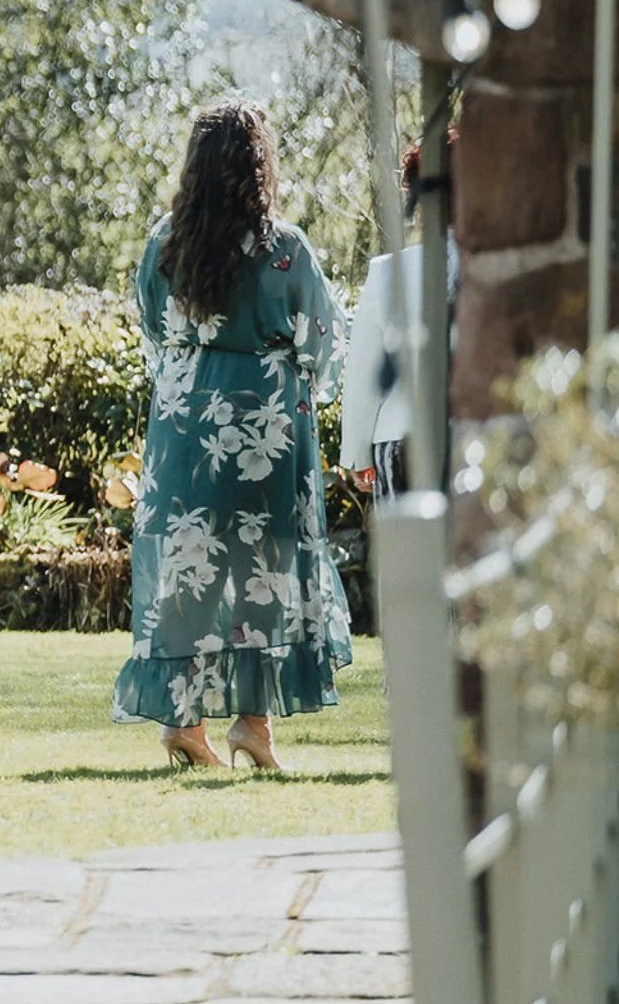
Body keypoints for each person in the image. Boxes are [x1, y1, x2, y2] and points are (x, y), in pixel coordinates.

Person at [113, 100, 351, 771]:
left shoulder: (167, 241)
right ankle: (254, 724)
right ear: (258, 165)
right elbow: (322, 339)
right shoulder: (286, 247)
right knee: (266, 569)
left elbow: (153, 327)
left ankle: (184, 723)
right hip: (268, 425)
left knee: (191, 568)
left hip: (188, 423)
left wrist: (192, 368)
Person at [340, 131, 458, 500]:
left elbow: (364, 373)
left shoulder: (388, 272)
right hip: (475, 439)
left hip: (399, 439)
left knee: (410, 554)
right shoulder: (499, 272)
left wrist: (357, 453)